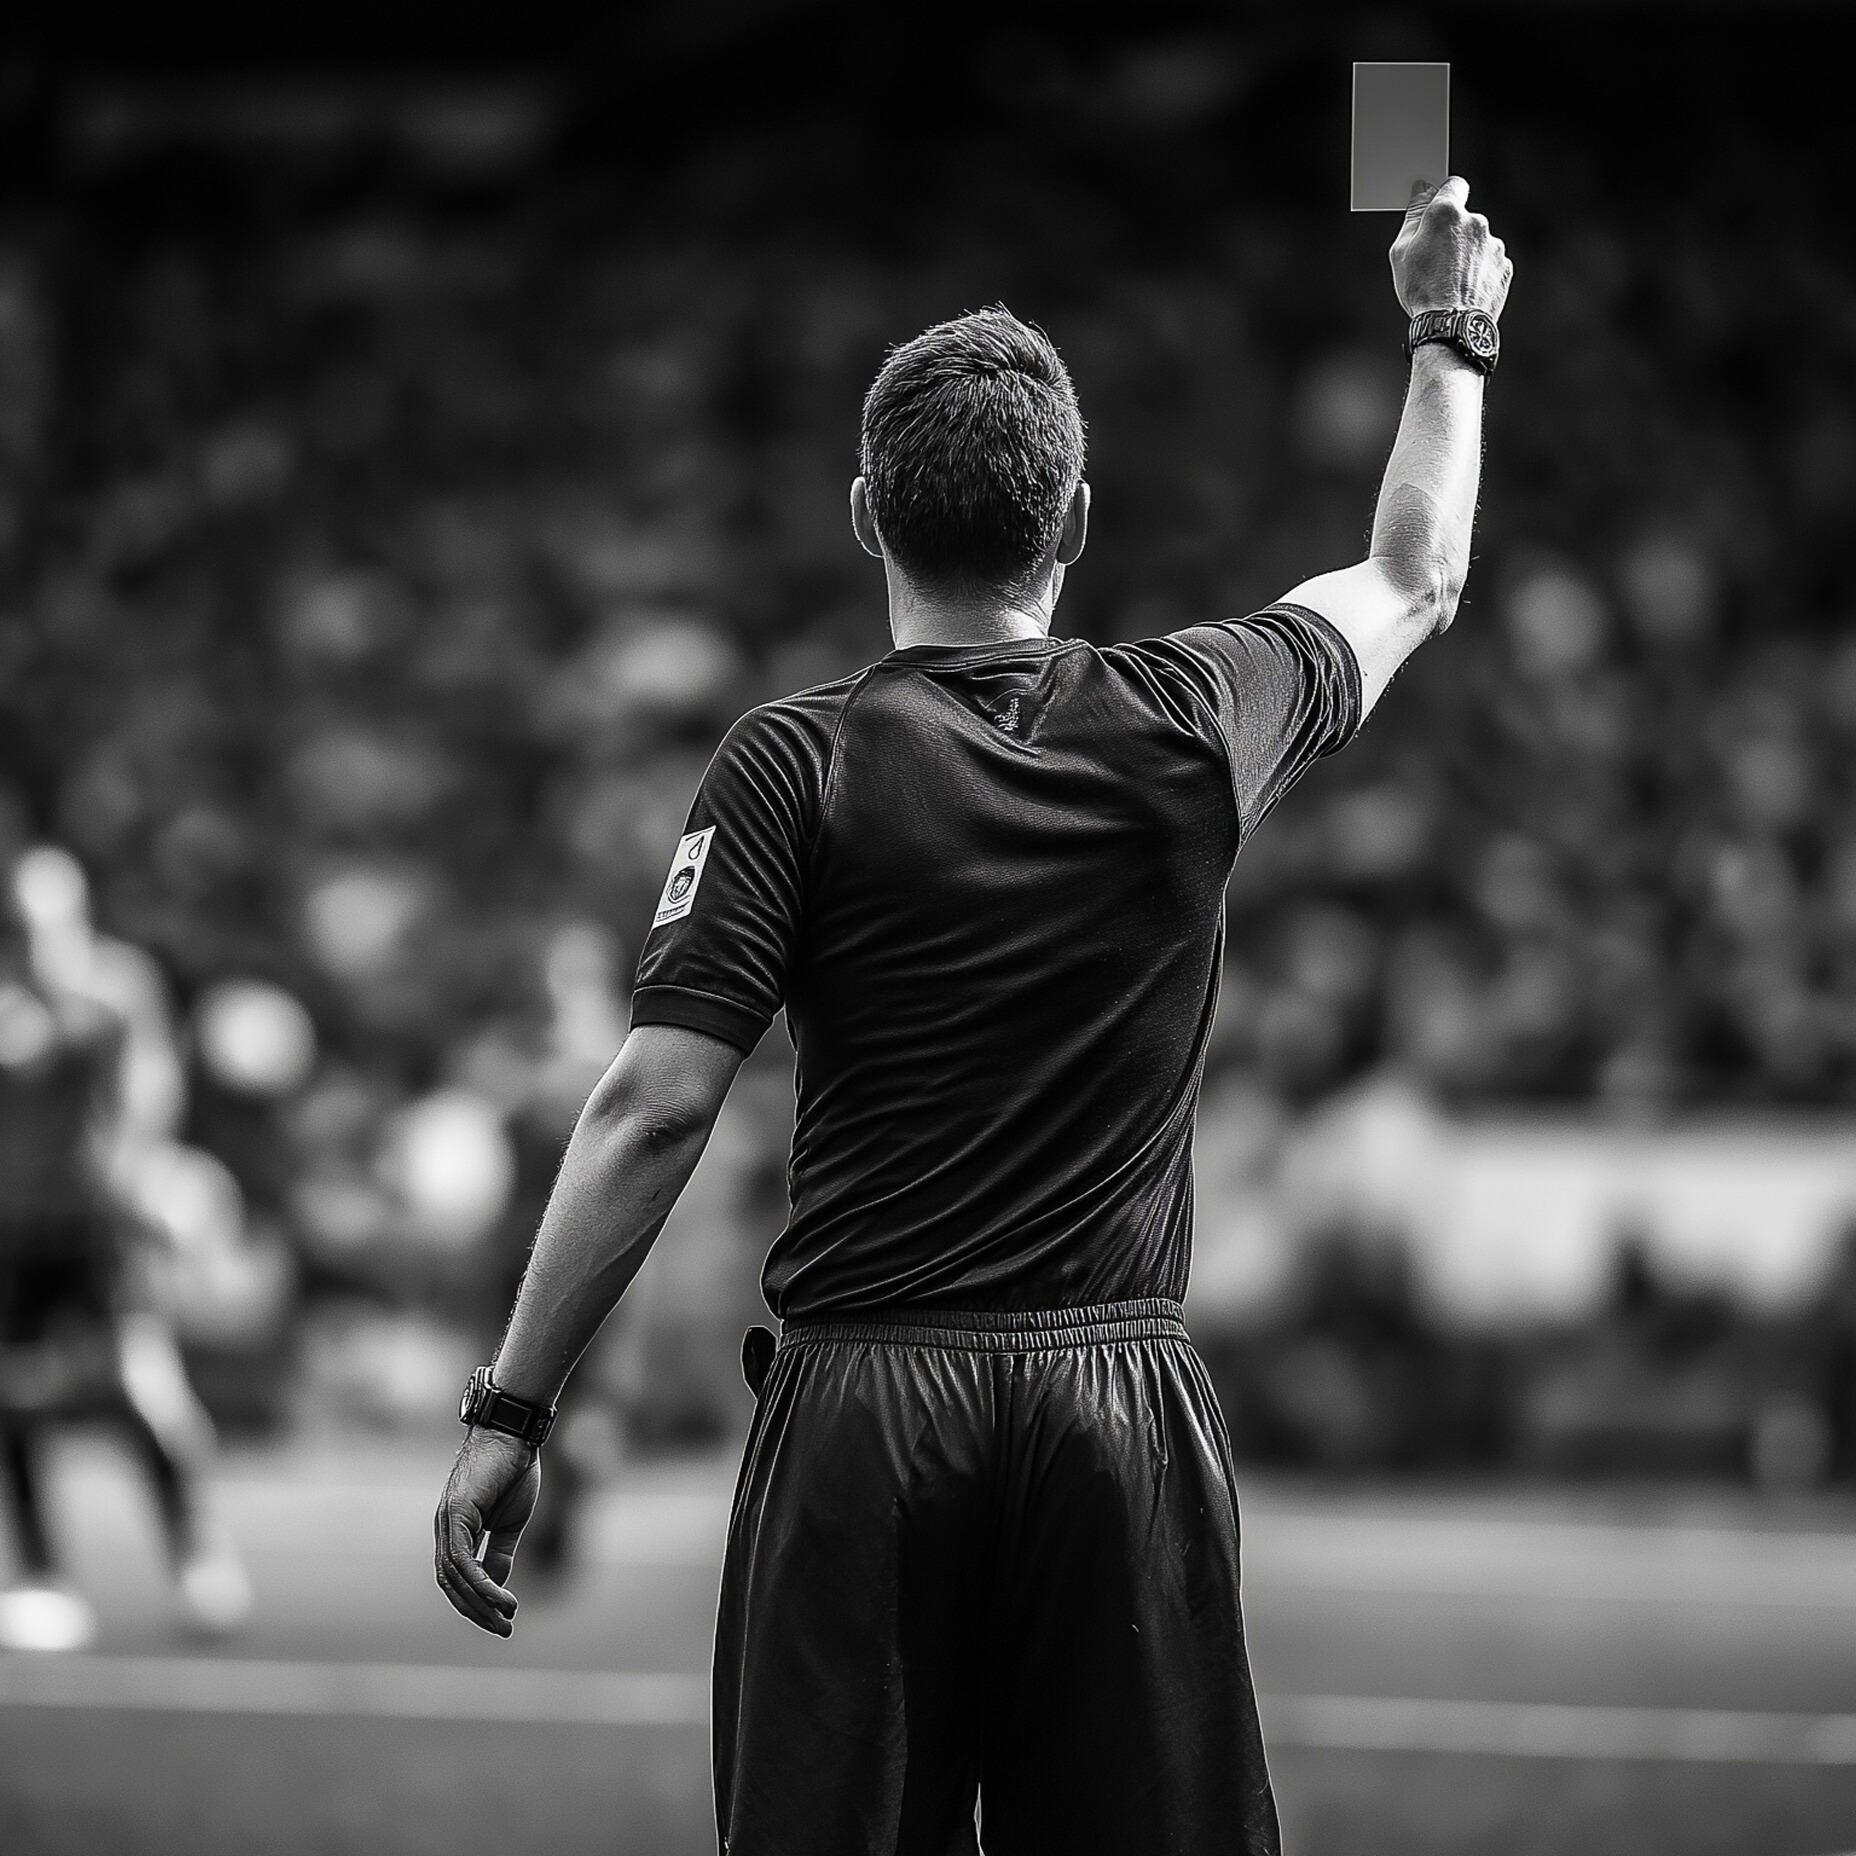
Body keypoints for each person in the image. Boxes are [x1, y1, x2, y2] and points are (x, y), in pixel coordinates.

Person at [437, 179, 1510, 1853]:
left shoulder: (791, 762)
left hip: (867, 1413)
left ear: (865, 512)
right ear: (1072, 517)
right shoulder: (1195, 714)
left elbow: (655, 1106)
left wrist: (512, 1410)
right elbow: (1417, 574)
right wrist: (1450, 331)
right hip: (1116, 1413)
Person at [0, 849, 251, 1650]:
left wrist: (147, 1184)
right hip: (16, 1237)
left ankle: (198, 1558)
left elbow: (150, 1093)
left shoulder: (116, 988)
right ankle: (43, 1578)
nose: (36, 941)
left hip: (100, 1234)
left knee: (145, 1390)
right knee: (12, 1402)